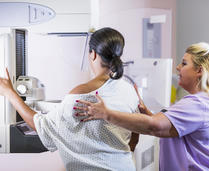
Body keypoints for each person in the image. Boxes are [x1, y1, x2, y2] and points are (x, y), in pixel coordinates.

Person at [0, 27, 140, 171]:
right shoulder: (129, 90)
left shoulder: (81, 94)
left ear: (93, 54)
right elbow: (135, 134)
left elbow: (41, 125)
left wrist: (9, 92)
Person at [75, 42, 209, 171]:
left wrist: (105, 113)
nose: (178, 67)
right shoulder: (206, 102)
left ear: (199, 71)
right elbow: (170, 127)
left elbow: (155, 127)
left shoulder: (198, 105)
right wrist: (146, 112)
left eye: (184, 63)